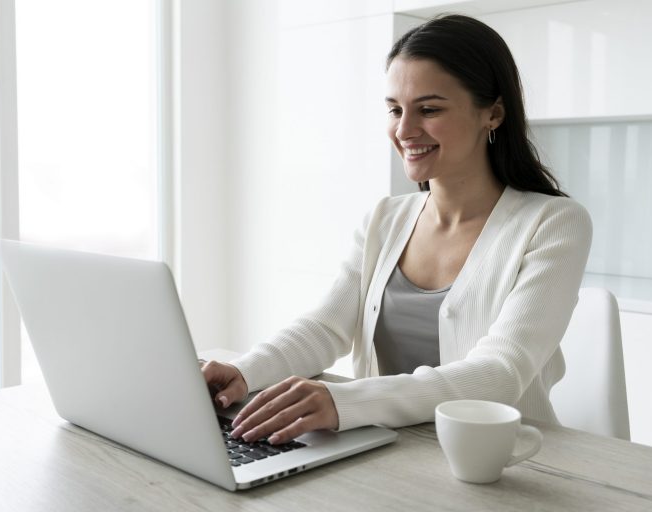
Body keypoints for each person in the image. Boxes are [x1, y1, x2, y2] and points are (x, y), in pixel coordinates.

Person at [202, 14, 591, 446]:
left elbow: (499, 373)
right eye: (394, 109)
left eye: (429, 109)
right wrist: (244, 371)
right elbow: (325, 328)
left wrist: (344, 402)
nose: (404, 130)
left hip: (502, 461)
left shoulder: (554, 223)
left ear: (493, 113)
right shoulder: (384, 220)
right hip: (386, 452)